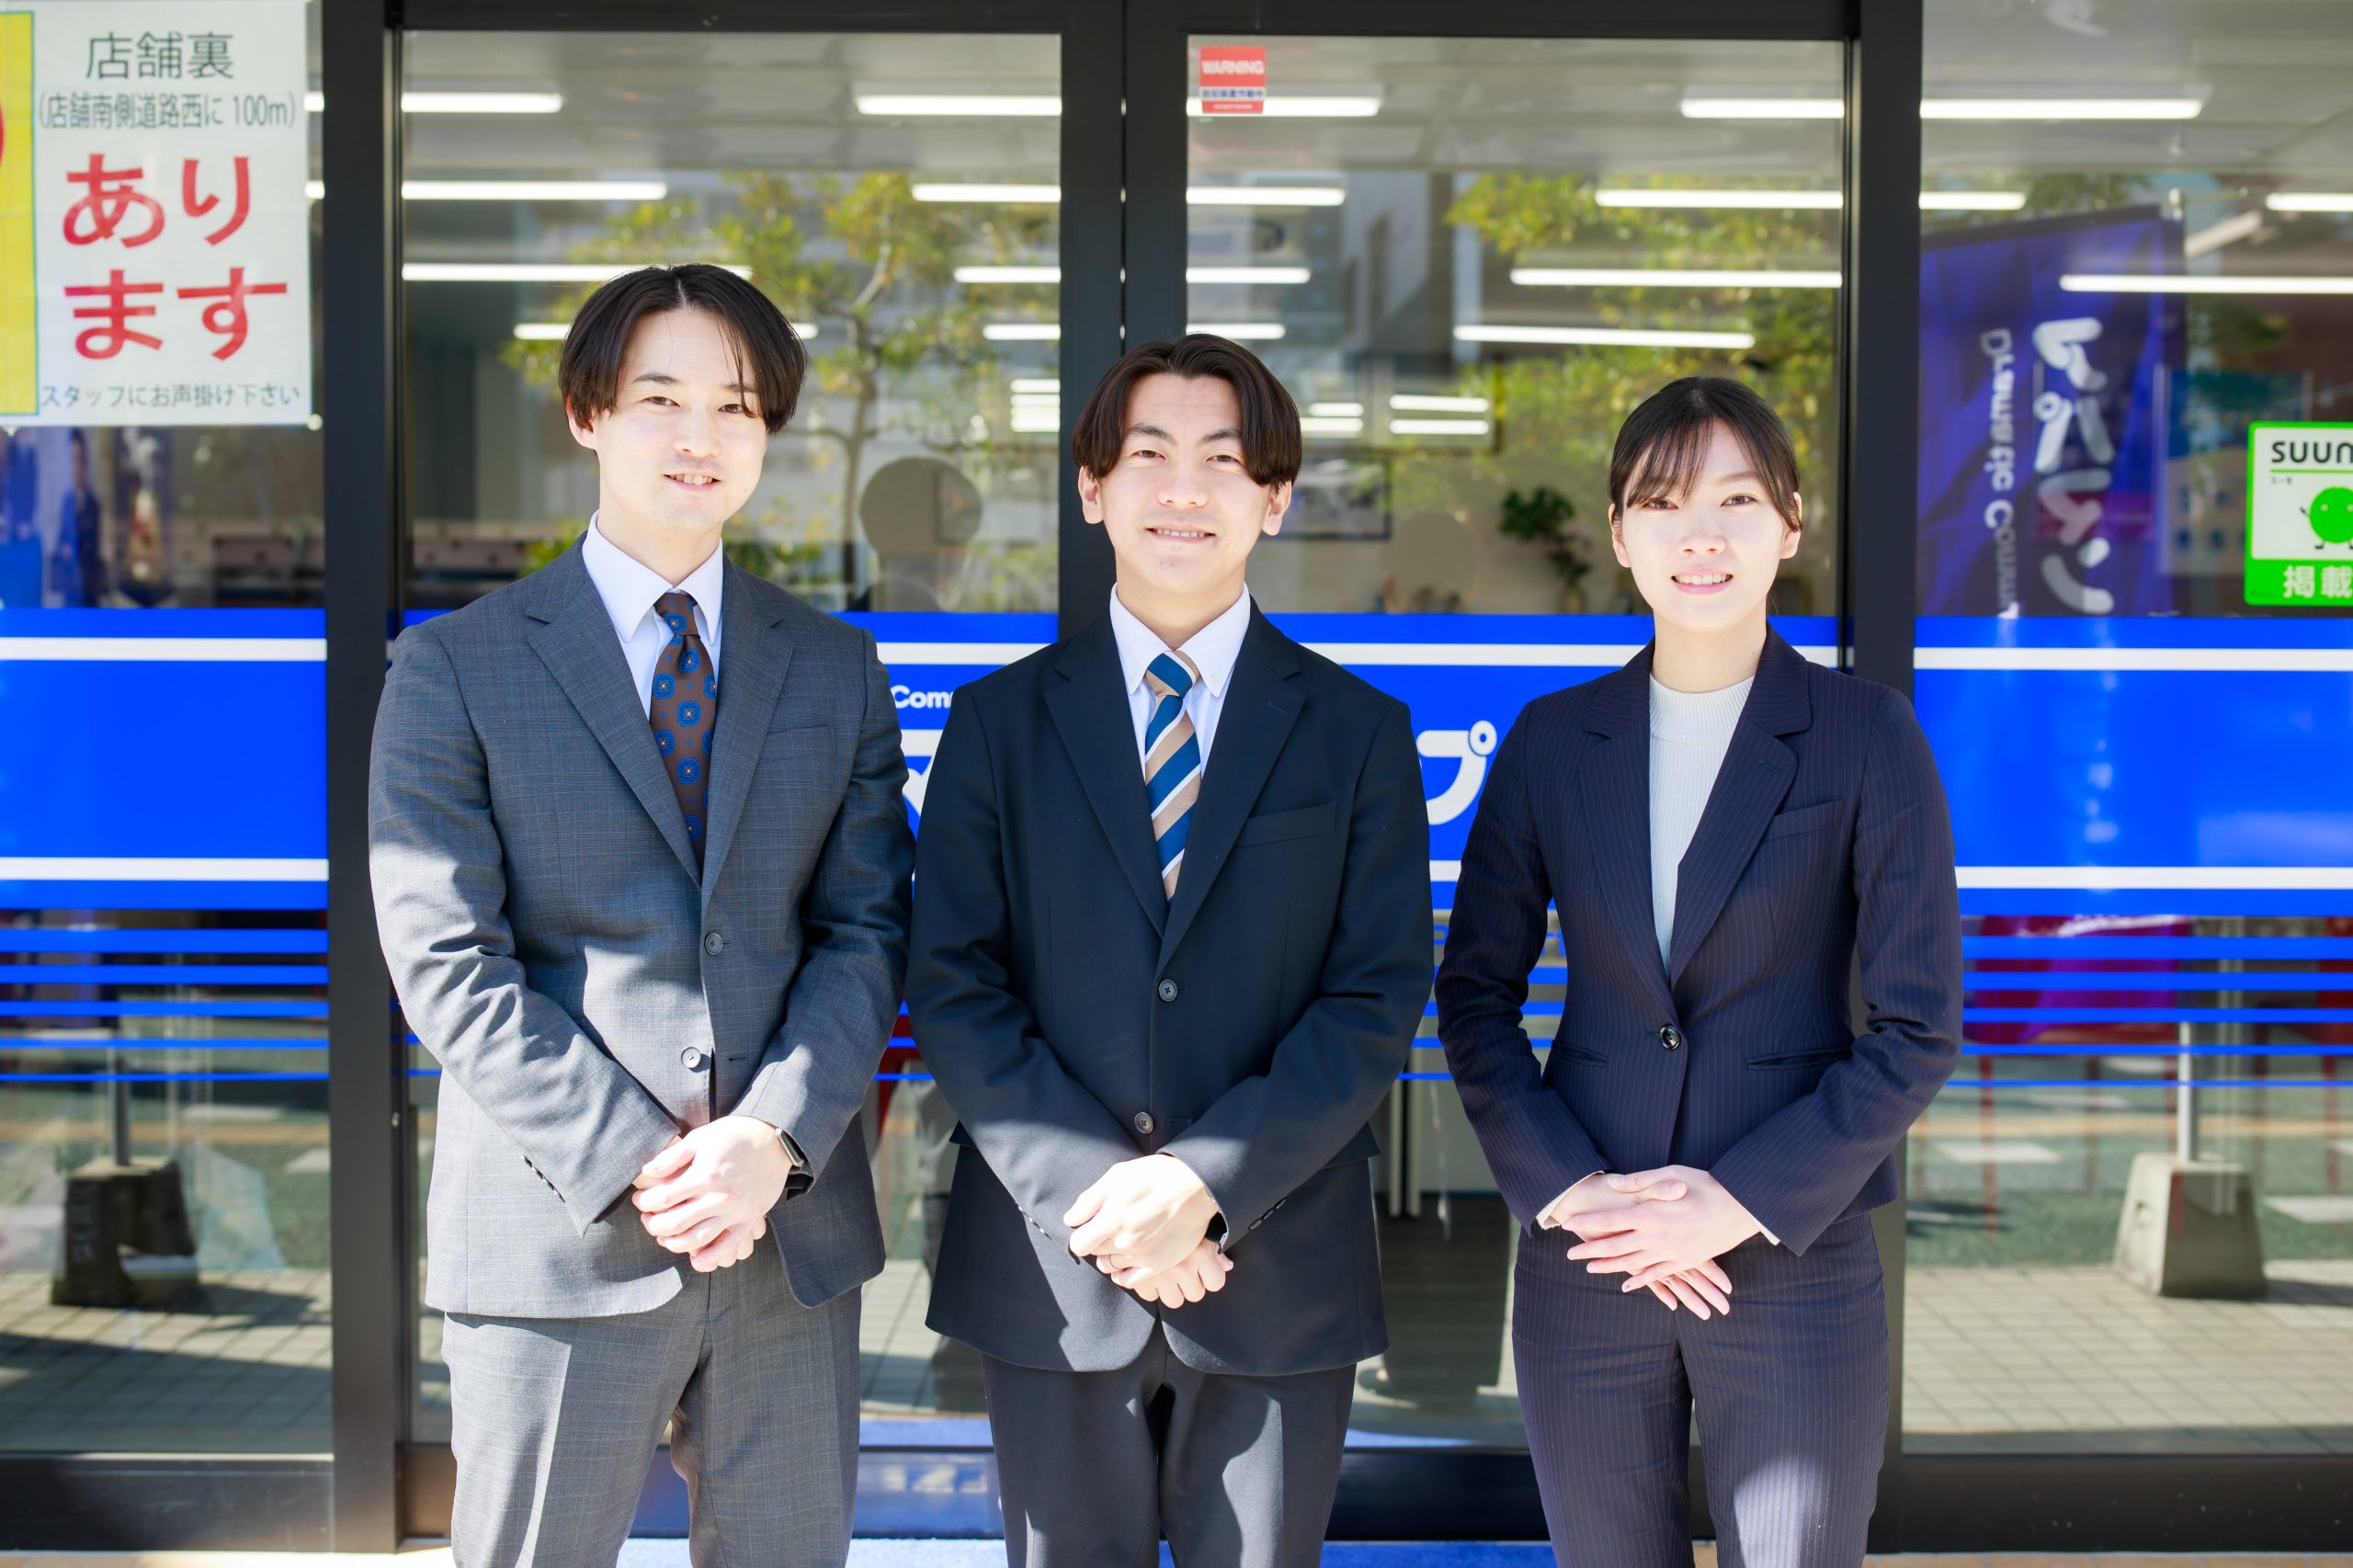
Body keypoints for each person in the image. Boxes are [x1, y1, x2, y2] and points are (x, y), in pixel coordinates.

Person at [369, 263, 914, 1568]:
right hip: (562, 1232)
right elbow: (448, 959)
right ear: (585, 411)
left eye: (736, 405)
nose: (700, 436)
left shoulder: (833, 663)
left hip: (788, 1237)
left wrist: (768, 1141)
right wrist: (652, 1163)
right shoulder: (459, 664)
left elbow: (866, 929)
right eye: (660, 396)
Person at [905, 335, 1432, 1568]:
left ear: (1275, 495)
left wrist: (1205, 1182)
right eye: (1148, 456)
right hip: (1050, 1273)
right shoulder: (998, 723)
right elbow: (954, 980)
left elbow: (1373, 996)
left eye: (1223, 459)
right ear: (1093, 490)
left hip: (1276, 1266)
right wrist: (1108, 1200)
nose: (1185, 489)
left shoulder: (1358, 732)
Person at [1435, 377, 1961, 1567]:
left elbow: (1917, 1026)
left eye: (1737, 497)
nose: (1702, 534)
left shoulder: (1865, 734)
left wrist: (1736, 1200)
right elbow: (1475, 994)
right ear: (1620, 535)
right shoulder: (1555, 741)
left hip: (1792, 1251)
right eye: (1664, 502)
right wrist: (1573, 1192)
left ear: (1791, 521)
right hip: (1594, 1252)